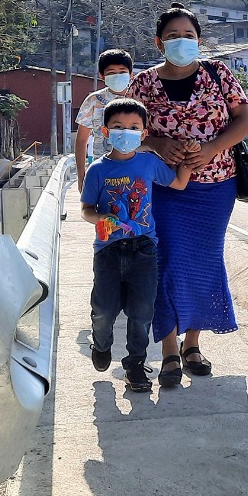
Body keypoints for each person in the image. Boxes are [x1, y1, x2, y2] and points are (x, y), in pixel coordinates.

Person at [128, 3, 248, 388]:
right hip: (162, 188)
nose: (181, 42)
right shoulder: (144, 84)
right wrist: (155, 142)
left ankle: (193, 345)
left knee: (202, 260)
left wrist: (214, 147)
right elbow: (124, 129)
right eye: (172, 36)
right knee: (165, 261)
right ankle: (168, 349)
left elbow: (245, 120)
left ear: (199, 40)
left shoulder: (219, 74)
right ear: (158, 42)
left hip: (216, 187)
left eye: (188, 36)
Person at [81, 97, 193, 392]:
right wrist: (100, 218)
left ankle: (135, 365)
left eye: (133, 127)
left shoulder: (149, 162)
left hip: (144, 248)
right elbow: (86, 209)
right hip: (108, 251)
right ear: (106, 132)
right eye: (118, 127)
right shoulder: (97, 171)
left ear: (144, 133)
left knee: (142, 312)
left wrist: (191, 160)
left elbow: (178, 183)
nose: (126, 132)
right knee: (103, 309)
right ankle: (101, 343)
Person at [75, 48, 136, 191]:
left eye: (122, 71)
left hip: (136, 171)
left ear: (131, 73)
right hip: (103, 170)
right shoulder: (93, 100)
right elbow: (81, 140)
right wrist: (81, 176)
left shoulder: (141, 97)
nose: (117, 75)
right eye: (111, 73)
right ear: (102, 76)